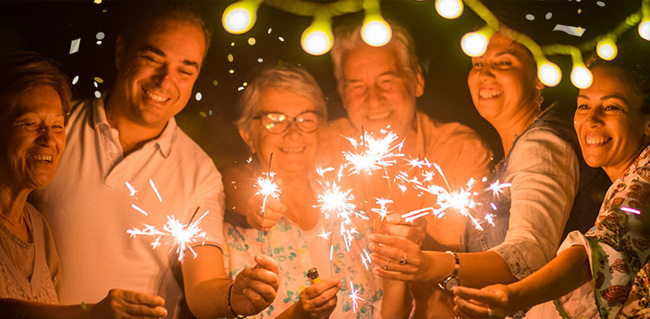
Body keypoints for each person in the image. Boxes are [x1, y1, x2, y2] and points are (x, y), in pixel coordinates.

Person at [224, 18, 494, 319]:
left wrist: (409, 251)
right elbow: (267, 157)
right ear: (342, 93)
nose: (373, 98)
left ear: (416, 79)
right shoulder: (330, 142)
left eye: (386, 81)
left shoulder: (456, 150)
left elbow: (473, 252)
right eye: (356, 86)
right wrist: (246, 198)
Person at [29, 4, 279, 319]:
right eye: (152, 59)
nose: (164, 81)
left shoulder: (200, 173)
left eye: (185, 70)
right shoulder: (54, 131)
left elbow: (203, 288)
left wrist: (233, 296)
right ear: (121, 52)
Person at [367, 29, 608, 318]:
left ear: (540, 77)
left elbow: (529, 253)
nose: (485, 75)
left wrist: (432, 264)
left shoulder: (541, 145)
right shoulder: (517, 152)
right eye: (478, 64)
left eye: (503, 63)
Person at [452, 48, 650, 319]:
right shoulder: (622, 182)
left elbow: (591, 257)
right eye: (583, 106)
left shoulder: (645, 178)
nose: (591, 120)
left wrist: (512, 296)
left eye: (611, 107)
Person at [0, 51, 168, 318]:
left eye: (57, 126)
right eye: (30, 123)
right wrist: (87, 314)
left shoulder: (38, 228)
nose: (48, 140)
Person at [223, 64, 381, 319]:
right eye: (275, 120)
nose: (293, 132)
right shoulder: (230, 234)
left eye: (306, 119)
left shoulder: (354, 220)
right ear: (248, 136)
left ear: (320, 129)